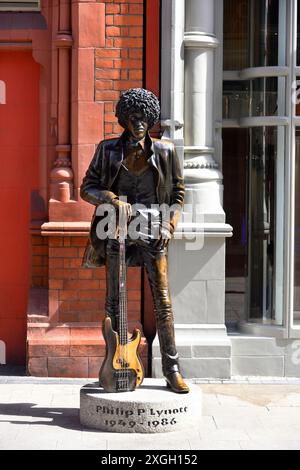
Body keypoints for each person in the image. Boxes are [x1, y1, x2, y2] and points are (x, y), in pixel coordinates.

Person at [80, 88, 189, 393]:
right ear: (124, 119)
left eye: (144, 118)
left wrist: (169, 224)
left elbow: (179, 194)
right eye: (133, 117)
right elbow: (86, 187)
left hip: (154, 230)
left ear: (151, 118)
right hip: (115, 230)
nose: (138, 123)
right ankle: (116, 365)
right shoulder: (108, 150)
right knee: (115, 301)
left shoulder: (165, 152)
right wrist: (110, 198)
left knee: (163, 302)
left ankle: (172, 369)